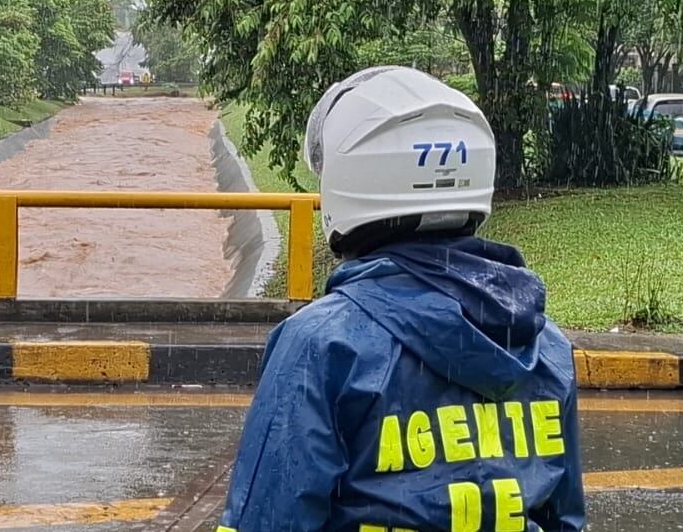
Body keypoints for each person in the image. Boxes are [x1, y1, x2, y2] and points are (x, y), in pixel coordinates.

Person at [217, 66, 586, 532]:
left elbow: (266, 519)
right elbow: (564, 518)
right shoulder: (544, 343)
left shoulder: (322, 345)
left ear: (348, 181)